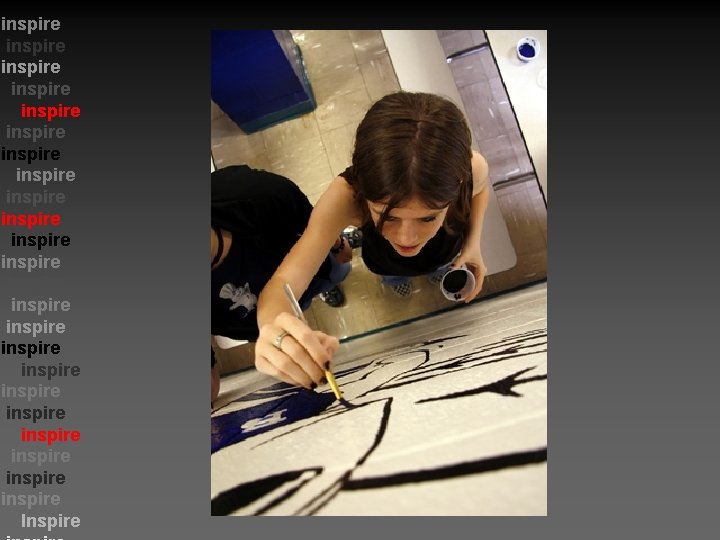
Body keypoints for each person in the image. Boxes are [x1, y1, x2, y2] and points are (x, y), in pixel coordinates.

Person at [254, 91, 490, 389]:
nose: (407, 238)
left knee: (439, 268)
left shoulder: (472, 169)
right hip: (383, 258)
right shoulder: (345, 196)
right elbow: (285, 281)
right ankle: (395, 278)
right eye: (387, 216)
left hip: (446, 249)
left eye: (428, 218)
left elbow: (480, 190)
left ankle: (430, 269)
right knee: (391, 272)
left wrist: (473, 245)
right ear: (363, 193)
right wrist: (273, 329)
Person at [211, 164, 352, 401]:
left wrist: (335, 243)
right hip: (263, 317)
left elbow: (317, 225)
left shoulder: (256, 192)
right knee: (301, 304)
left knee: (336, 270)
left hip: (314, 266)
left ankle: (336, 264)